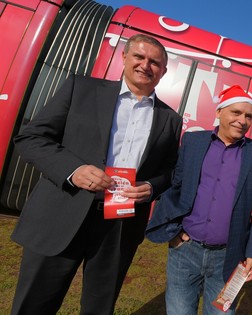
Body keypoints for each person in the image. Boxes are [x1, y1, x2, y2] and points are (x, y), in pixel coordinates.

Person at [10, 34, 182, 315]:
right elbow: (31, 139)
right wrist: (73, 170)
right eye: (139, 57)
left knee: (99, 308)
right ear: (124, 58)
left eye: (155, 62)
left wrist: (151, 187)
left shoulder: (171, 119)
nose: (145, 65)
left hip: (120, 224)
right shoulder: (82, 88)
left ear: (163, 72)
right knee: (34, 305)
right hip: (62, 211)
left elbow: (171, 170)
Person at [146, 85, 252, 314]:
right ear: (219, 112)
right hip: (185, 251)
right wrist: (173, 233)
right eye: (236, 112)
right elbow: (176, 187)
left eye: (248, 116)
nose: (242, 120)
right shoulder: (193, 142)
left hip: (230, 258)